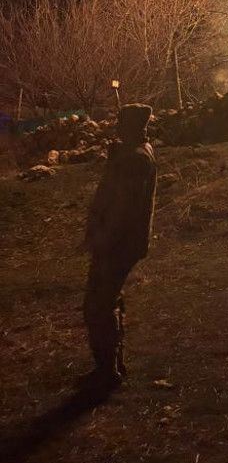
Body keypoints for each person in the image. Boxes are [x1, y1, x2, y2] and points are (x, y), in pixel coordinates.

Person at [80, 103, 157, 390]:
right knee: (108, 300)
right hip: (123, 242)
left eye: (121, 123)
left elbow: (120, 209)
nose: (116, 127)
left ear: (132, 126)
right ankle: (113, 365)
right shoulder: (137, 153)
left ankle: (107, 372)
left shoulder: (135, 160)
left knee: (98, 306)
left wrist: (100, 240)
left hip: (117, 243)